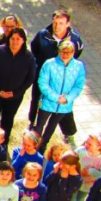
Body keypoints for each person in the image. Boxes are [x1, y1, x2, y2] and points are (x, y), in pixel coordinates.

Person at [28, 9, 85, 137]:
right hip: (43, 78)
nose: (57, 26)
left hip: (64, 80)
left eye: (61, 23)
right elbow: (34, 50)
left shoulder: (75, 40)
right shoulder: (42, 35)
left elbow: (76, 55)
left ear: (68, 24)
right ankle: (32, 123)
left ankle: (68, 132)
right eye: (55, 22)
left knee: (64, 106)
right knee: (36, 101)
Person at [0, 27, 35, 143]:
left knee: (7, 121)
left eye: (18, 39)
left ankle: (3, 144)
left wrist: (16, 92)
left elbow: (30, 78)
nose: (15, 41)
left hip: (14, 98)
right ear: (8, 39)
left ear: (23, 40)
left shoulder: (29, 57)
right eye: (12, 38)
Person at [35, 41, 86, 150]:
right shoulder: (49, 64)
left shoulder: (79, 66)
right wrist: (56, 97)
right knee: (39, 127)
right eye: (63, 51)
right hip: (47, 103)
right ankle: (34, 146)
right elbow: (42, 83)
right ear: (58, 51)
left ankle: (42, 146)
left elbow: (78, 86)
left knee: (51, 127)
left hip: (64, 105)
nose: (65, 54)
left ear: (73, 52)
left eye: (69, 52)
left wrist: (67, 99)